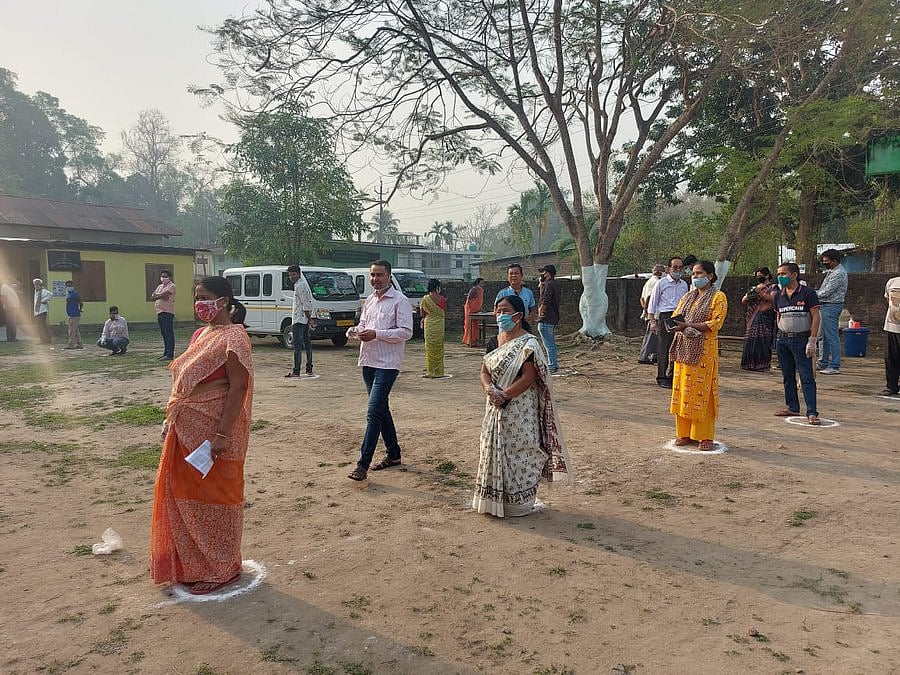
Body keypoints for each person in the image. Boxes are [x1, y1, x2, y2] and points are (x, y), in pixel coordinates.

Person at [150, 275, 253, 596]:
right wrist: (172, 417)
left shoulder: (235, 337)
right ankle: (191, 564)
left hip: (214, 432)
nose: (199, 303)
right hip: (186, 427)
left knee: (217, 498)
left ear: (223, 301)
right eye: (196, 296)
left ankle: (221, 568)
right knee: (184, 498)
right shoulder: (200, 334)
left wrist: (223, 434)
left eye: (204, 297)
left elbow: (237, 388)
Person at [473, 294, 572, 517]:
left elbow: (528, 377)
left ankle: (519, 503)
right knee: (492, 449)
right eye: (497, 310)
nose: (500, 315)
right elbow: (484, 371)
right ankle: (493, 499)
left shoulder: (528, 344)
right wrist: (490, 389)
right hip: (494, 407)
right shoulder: (493, 342)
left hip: (519, 409)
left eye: (505, 311)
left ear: (518, 315)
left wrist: (504, 395)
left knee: (521, 450)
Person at [347, 260, 414, 481]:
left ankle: (362, 464)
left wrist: (377, 334)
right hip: (369, 361)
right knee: (381, 410)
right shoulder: (370, 300)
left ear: (389, 276)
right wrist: (354, 331)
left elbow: (405, 332)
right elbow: (364, 324)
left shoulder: (399, 300)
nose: (375, 279)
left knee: (373, 412)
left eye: (380, 275)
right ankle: (393, 454)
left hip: (388, 363)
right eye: (373, 275)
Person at [668, 261, 728, 451]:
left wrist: (689, 326)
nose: (695, 276)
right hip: (684, 349)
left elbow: (715, 322)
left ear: (710, 276)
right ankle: (684, 433)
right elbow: (677, 315)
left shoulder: (718, 297)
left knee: (704, 393)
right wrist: (679, 326)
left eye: (699, 273)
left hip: (704, 351)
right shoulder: (687, 296)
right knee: (683, 391)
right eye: (693, 273)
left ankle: (704, 436)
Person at [774, 263, 821, 425]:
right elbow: (778, 315)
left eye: (783, 273)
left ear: (794, 275)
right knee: (788, 375)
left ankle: (812, 411)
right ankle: (792, 406)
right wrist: (780, 332)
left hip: (802, 340)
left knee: (806, 376)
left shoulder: (807, 293)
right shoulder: (779, 295)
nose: (780, 276)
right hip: (783, 339)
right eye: (778, 273)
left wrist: (812, 340)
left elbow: (815, 316)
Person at [647, 257, 689, 388]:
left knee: (678, 348)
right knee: (664, 348)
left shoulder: (684, 284)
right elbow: (652, 302)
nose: (677, 270)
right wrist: (652, 321)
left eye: (680, 267)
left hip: (680, 316)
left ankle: (673, 376)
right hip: (666, 316)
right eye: (675, 267)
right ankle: (661, 377)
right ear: (669, 268)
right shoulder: (662, 283)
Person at [816, 249, 848, 375]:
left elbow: (826, 292)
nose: (824, 263)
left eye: (826, 261)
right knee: (823, 336)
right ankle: (823, 361)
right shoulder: (831, 272)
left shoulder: (838, 273)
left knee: (831, 336)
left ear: (834, 261)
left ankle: (834, 364)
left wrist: (811, 294)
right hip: (825, 305)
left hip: (831, 305)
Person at [740, 267, 778, 372]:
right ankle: (748, 364)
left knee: (762, 340)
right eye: (757, 276)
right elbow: (743, 300)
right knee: (750, 340)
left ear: (767, 275)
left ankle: (762, 365)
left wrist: (761, 293)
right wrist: (749, 296)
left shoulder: (773, 287)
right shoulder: (754, 287)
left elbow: (774, 300)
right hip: (751, 317)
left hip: (765, 317)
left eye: (760, 276)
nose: (758, 278)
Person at [284, 265, 315, 378]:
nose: (292, 276)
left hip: (299, 319)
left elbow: (305, 304)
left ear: (298, 273)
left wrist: (309, 319)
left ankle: (296, 371)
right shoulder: (301, 284)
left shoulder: (300, 286)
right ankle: (309, 369)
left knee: (297, 346)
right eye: (290, 274)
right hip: (303, 318)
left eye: (293, 274)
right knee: (307, 344)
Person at [638, 264, 665, 364]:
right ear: (658, 272)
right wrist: (647, 311)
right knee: (651, 336)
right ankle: (643, 357)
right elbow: (649, 298)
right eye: (663, 271)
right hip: (655, 313)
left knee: (657, 337)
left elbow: (641, 298)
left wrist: (645, 310)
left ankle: (655, 356)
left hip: (652, 312)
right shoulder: (656, 282)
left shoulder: (648, 282)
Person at [537, 264, 561, 374]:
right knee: (550, 343)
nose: (542, 275)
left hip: (547, 318)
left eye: (543, 272)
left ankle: (552, 365)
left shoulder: (549, 285)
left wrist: (541, 312)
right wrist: (541, 285)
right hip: (552, 317)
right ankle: (553, 364)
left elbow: (546, 300)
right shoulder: (553, 284)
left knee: (549, 344)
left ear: (547, 273)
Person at [420, 278, 446, 377]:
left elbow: (422, 314)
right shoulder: (442, 299)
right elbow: (443, 311)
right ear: (437, 287)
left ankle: (431, 371)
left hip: (429, 324)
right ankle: (439, 371)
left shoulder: (425, 299)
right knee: (439, 347)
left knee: (430, 348)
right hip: (440, 324)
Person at [150, 270, 176, 361]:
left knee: (169, 333)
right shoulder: (159, 286)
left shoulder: (172, 286)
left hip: (167, 312)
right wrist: (160, 295)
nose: (163, 278)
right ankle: (165, 353)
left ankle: (170, 354)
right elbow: (153, 297)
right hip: (159, 312)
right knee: (164, 334)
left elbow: (165, 296)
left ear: (169, 277)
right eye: (162, 276)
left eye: (165, 276)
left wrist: (158, 295)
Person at [881, 275, 900, 397]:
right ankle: (891, 386)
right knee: (890, 357)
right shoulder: (892, 282)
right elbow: (888, 301)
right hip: (891, 327)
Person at [462, 278, 485, 347]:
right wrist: (471, 310)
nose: (483, 285)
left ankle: (474, 341)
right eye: (481, 283)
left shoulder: (480, 290)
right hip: (470, 310)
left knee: (475, 326)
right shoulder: (474, 289)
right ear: (477, 283)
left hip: (476, 310)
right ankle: (469, 341)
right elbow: (469, 300)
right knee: (470, 326)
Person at [63, 280, 84, 349]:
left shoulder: (75, 294)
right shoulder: (69, 294)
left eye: (70, 285)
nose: (69, 287)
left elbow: (80, 302)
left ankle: (71, 344)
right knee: (76, 330)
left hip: (75, 314)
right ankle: (79, 344)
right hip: (71, 314)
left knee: (72, 330)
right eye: (68, 286)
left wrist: (80, 309)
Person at [32, 278, 53, 344]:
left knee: (42, 326)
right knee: (41, 326)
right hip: (38, 311)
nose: (36, 286)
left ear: (40, 285)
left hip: (43, 311)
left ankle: (45, 340)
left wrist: (44, 300)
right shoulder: (36, 291)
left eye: (37, 284)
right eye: (35, 285)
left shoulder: (44, 290)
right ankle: (45, 339)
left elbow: (50, 294)